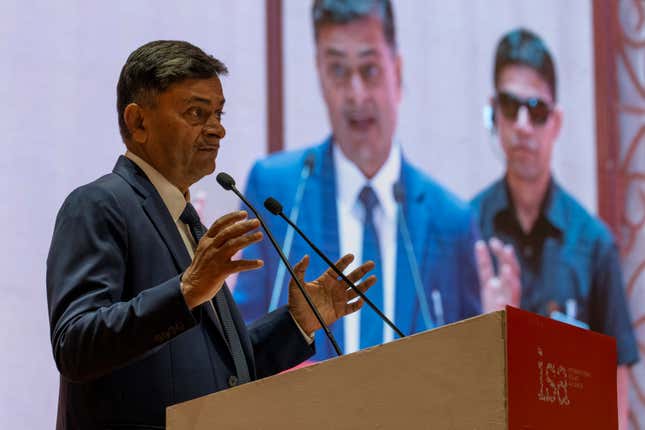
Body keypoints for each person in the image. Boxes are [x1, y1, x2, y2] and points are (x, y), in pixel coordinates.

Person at [46, 40, 375, 429]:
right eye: (196, 113)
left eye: (218, 113)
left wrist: (298, 322)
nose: (217, 129)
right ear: (138, 123)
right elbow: (76, 345)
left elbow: (225, 374)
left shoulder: (187, 225)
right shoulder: (100, 205)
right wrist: (185, 291)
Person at [234, 0, 514, 362]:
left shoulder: (451, 222)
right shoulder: (278, 193)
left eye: (369, 70)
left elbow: (471, 370)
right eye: (338, 70)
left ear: (396, 73)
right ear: (320, 74)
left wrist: (497, 337)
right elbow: (241, 352)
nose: (356, 94)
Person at [471, 28, 639, 425]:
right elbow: (442, 370)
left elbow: (616, 386)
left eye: (537, 110)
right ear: (494, 112)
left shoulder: (594, 244)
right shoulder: (468, 232)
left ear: (557, 122)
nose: (524, 125)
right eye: (511, 107)